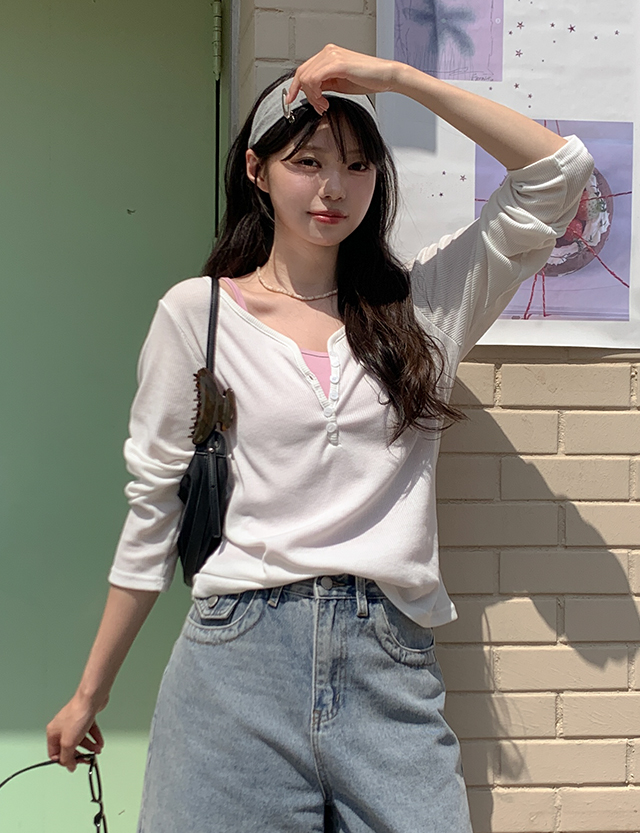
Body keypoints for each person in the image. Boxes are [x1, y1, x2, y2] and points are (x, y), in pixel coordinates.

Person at [46, 44, 593, 832]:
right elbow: (154, 512)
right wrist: (91, 691)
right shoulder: (197, 316)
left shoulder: (423, 307)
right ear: (257, 171)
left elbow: (558, 175)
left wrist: (400, 80)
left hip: (389, 667)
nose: (334, 187)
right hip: (234, 669)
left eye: (357, 165)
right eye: (307, 161)